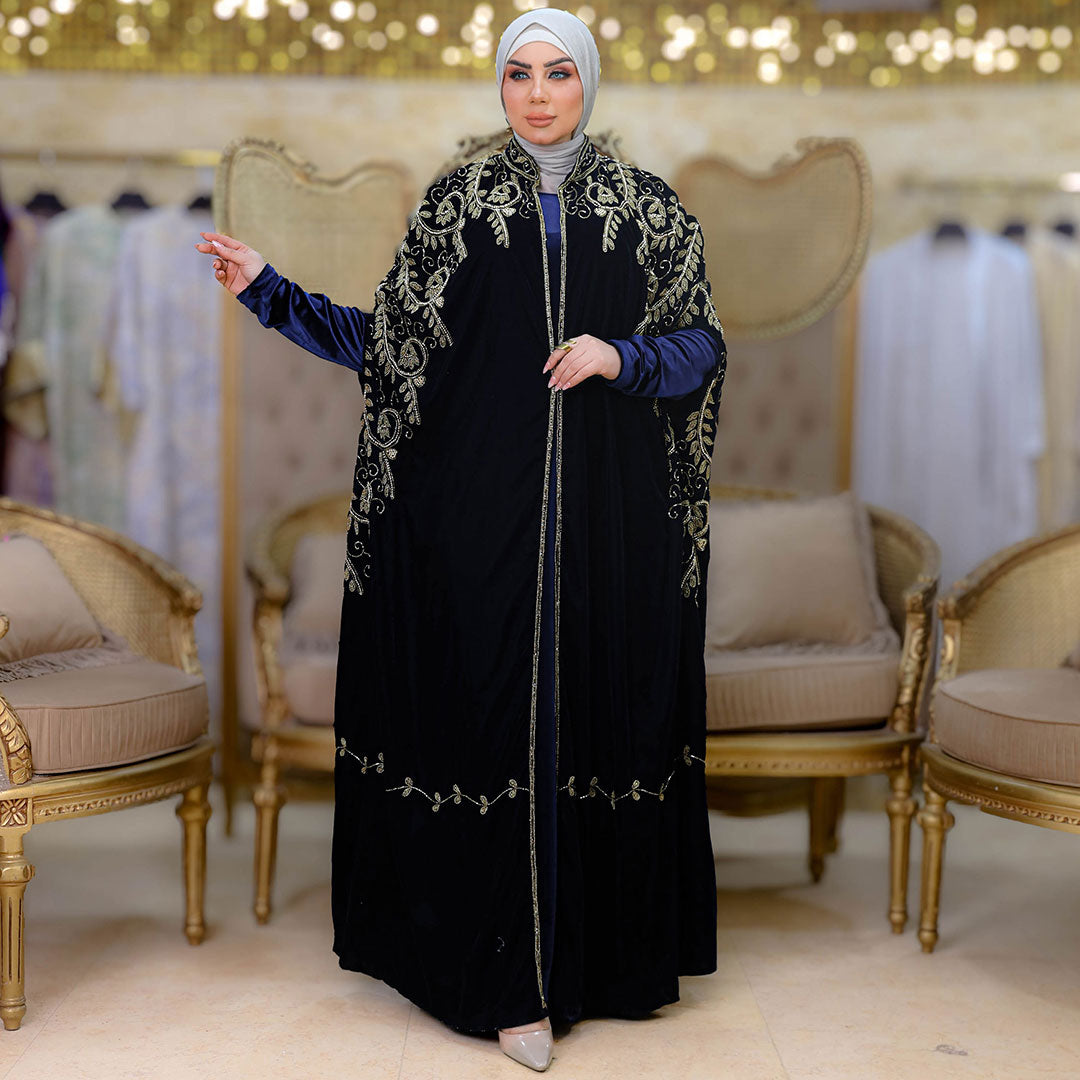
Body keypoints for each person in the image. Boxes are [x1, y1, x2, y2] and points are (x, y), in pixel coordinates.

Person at [197, 8, 726, 1072]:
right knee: (490, 727)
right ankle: (505, 987)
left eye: (558, 73)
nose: (538, 94)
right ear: (501, 88)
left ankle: (584, 971)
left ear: (587, 84)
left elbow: (702, 345)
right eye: (519, 75)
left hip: (610, 529)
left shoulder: (650, 210)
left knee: (586, 723)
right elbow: (391, 348)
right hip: (478, 526)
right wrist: (269, 293)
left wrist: (620, 357)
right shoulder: (458, 207)